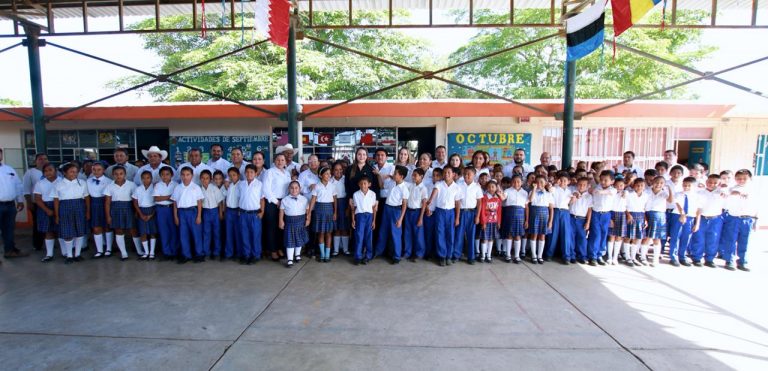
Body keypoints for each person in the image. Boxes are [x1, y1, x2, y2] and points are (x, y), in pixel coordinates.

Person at [720, 169, 757, 271]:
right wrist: (731, 193)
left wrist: (756, 220)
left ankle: (742, 262)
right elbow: (724, 200)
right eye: (739, 178)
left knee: (745, 241)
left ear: (750, 179)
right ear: (735, 179)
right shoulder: (731, 189)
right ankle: (729, 260)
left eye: (744, 178)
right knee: (731, 240)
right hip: (734, 218)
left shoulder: (753, 190)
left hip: (747, 219)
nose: (741, 180)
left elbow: (757, 206)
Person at [53, 163, 90, 264]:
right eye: (71, 172)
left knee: (80, 231)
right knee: (67, 232)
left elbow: (86, 198)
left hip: (79, 207)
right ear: (64, 173)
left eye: (76, 172)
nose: (74, 174)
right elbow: (56, 201)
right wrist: (57, 215)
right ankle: (69, 255)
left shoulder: (82, 183)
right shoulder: (59, 184)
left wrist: (87, 211)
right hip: (65, 208)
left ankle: (77, 254)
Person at [427, 166, 462, 267]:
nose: (446, 174)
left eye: (449, 172)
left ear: (453, 175)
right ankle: (442, 256)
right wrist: (430, 200)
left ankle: (449, 256)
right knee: (440, 234)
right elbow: (434, 192)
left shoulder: (456, 187)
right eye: (445, 173)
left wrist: (457, 218)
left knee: (450, 234)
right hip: (440, 212)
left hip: (451, 212)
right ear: (442, 175)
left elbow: (458, 203)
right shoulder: (439, 184)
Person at [374, 165, 409, 264]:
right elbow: (381, 186)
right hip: (387, 208)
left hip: (396, 211)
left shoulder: (404, 189)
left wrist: (401, 219)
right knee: (383, 231)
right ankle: (378, 251)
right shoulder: (391, 183)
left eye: (395, 173)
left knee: (395, 234)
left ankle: (396, 256)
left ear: (401, 176)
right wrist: (379, 175)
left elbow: (404, 205)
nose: (393, 175)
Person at [691, 175, 726, 267]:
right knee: (699, 238)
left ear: (719, 184)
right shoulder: (700, 193)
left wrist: (724, 191)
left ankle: (709, 259)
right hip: (702, 218)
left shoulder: (722, 193)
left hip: (715, 219)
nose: (712, 184)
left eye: (715, 183)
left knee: (713, 239)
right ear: (706, 182)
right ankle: (696, 258)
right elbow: (698, 207)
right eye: (710, 182)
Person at [262, 153, 292, 261]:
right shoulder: (269, 172)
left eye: (282, 160)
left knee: (282, 227)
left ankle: (280, 248)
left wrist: (284, 202)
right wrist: (276, 202)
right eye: (278, 160)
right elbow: (266, 190)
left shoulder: (287, 173)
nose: (280, 162)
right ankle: (273, 250)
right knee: (272, 227)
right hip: (272, 203)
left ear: (285, 162)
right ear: (274, 161)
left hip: (284, 203)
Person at [172, 167, 204, 264]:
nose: (185, 177)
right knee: (183, 235)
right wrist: (176, 216)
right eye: (183, 175)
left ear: (192, 176)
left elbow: (199, 203)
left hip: (193, 212)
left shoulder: (196, 187)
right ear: (181, 176)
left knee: (196, 234)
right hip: (181, 212)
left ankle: (199, 254)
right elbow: (175, 204)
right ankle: (186, 255)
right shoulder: (178, 187)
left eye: (188, 175)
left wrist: (199, 216)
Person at [104, 166, 136, 261]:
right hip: (116, 209)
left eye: (121, 174)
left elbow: (135, 200)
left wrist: (136, 212)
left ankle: (140, 250)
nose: (119, 176)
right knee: (119, 230)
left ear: (125, 174)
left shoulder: (132, 185)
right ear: (113, 175)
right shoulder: (110, 186)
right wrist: (108, 216)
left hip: (129, 208)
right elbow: (107, 202)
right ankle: (124, 253)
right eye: (116, 174)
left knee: (133, 230)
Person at [668, 177, 701, 267]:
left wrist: (697, 223)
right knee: (675, 237)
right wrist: (682, 214)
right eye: (684, 185)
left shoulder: (697, 196)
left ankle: (682, 256)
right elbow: (678, 205)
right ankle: (673, 257)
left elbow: (698, 210)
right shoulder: (679, 194)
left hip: (690, 218)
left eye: (689, 185)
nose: (686, 187)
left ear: (694, 186)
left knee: (686, 238)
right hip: (678, 216)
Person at [238, 164, 265, 265]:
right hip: (243, 213)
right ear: (245, 173)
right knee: (245, 235)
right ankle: (246, 254)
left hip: (255, 214)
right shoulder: (241, 184)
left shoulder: (259, 184)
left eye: (252, 172)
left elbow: (262, 199)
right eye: (247, 172)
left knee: (255, 235)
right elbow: (239, 198)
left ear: (256, 173)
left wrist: (262, 212)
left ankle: (256, 255)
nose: (249, 174)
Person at [587, 170, 616, 266]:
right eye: (601, 179)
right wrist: (594, 190)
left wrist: (599, 191)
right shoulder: (596, 188)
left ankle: (600, 255)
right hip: (596, 214)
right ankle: (593, 256)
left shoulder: (613, 190)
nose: (603, 182)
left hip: (606, 215)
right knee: (596, 235)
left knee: (604, 235)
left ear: (612, 181)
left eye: (606, 180)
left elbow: (607, 192)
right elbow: (591, 191)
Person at [454, 167, 482, 264]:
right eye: (465, 173)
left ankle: (471, 256)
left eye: (469, 174)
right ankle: (456, 255)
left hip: (471, 213)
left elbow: (479, 203)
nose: (466, 175)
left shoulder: (477, 187)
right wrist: (457, 217)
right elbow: (456, 201)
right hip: (461, 212)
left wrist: (477, 216)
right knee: (459, 235)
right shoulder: (458, 185)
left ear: (474, 175)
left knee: (471, 235)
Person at [643, 176, 673, 266]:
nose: (658, 185)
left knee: (657, 239)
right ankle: (643, 257)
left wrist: (669, 189)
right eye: (657, 182)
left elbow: (670, 200)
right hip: (648, 214)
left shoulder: (664, 193)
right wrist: (645, 218)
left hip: (659, 215)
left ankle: (655, 259)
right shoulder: (647, 192)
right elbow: (643, 205)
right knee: (646, 237)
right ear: (652, 182)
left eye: (661, 183)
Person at [309, 166, 337, 262]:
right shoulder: (317, 186)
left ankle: (327, 255)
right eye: (326, 174)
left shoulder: (332, 186)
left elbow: (335, 200)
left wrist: (335, 212)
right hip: (319, 210)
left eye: (330, 173)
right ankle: (322, 254)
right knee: (321, 233)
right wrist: (309, 213)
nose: (329, 175)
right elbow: (313, 200)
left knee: (328, 233)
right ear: (320, 175)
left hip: (329, 210)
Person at [280, 181, 311, 267]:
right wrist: (280, 221)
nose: (294, 190)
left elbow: (307, 211)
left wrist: (308, 219)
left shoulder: (304, 199)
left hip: (301, 221)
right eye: (292, 188)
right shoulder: (285, 200)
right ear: (289, 189)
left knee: (299, 239)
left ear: (299, 189)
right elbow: (281, 211)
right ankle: (290, 259)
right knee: (290, 240)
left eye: (296, 188)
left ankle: (297, 255)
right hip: (289, 222)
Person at [545, 172, 573, 263]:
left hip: (565, 212)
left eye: (565, 180)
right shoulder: (554, 188)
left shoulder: (570, 191)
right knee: (553, 233)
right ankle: (549, 254)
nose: (562, 182)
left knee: (566, 234)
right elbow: (550, 189)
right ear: (558, 180)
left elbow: (573, 198)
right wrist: (551, 185)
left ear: (569, 181)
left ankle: (566, 256)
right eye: (561, 180)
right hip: (555, 211)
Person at [34, 163, 59, 262]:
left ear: (55, 170)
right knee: (48, 231)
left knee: (61, 230)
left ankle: (66, 253)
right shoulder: (40, 183)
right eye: (45, 171)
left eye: (50, 170)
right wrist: (47, 210)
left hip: (59, 206)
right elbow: (37, 198)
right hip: (45, 207)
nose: (48, 172)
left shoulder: (61, 181)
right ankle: (49, 254)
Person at [23, 152, 48, 251]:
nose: (43, 161)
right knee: (38, 224)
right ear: (36, 161)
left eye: (45, 159)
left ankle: (49, 243)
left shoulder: (51, 171)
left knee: (49, 224)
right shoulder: (30, 172)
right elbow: (26, 189)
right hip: (36, 203)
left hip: (49, 202)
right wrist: (29, 202)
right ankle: (37, 244)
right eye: (40, 159)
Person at [350, 176, 378, 265]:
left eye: (365, 183)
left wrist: (374, 221)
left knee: (368, 237)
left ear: (369, 184)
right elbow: (353, 208)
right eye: (361, 183)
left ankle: (368, 256)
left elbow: (374, 209)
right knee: (359, 236)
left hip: (369, 216)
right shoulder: (355, 194)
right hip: (359, 216)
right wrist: (353, 220)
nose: (363, 185)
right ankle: (358, 256)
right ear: (358, 184)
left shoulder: (373, 194)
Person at [526, 175, 554, 264]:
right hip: (534, 214)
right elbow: (530, 200)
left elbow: (551, 209)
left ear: (545, 183)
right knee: (534, 235)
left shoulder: (549, 194)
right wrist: (534, 189)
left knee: (542, 236)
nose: (539, 184)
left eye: (541, 182)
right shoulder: (532, 192)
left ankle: (540, 255)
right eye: (537, 182)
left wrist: (550, 221)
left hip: (545, 215)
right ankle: (534, 255)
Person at [87, 161, 112, 259]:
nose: (96, 172)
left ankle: (108, 249)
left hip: (105, 203)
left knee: (107, 227)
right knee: (96, 227)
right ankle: (99, 250)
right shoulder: (88, 181)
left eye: (99, 170)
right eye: (94, 169)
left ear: (104, 170)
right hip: (93, 204)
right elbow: (87, 196)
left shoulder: (109, 181)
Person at [404, 168, 428, 262]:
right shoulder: (411, 186)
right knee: (408, 233)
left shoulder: (423, 188)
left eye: (415, 175)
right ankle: (408, 252)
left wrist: (421, 218)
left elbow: (424, 204)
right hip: (409, 212)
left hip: (417, 212)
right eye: (412, 175)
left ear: (421, 177)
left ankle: (419, 253)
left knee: (418, 234)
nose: (413, 177)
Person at [153, 167, 177, 260]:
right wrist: (169, 197)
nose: (165, 176)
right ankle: (166, 252)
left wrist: (163, 197)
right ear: (160, 176)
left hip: (172, 208)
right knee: (164, 231)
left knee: (173, 230)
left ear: (171, 175)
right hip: (161, 210)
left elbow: (175, 198)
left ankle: (174, 251)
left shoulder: (175, 184)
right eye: (162, 174)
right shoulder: (158, 185)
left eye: (167, 174)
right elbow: (156, 198)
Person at [502, 175, 528, 263]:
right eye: (514, 181)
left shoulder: (524, 193)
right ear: (511, 182)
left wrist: (526, 220)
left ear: (522, 182)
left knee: (518, 235)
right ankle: (508, 255)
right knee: (509, 234)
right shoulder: (507, 191)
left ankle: (517, 256)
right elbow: (503, 198)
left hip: (520, 214)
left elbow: (526, 207)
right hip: (509, 213)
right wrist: (499, 192)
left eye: (518, 182)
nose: (516, 183)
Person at [199, 170, 224, 260]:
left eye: (207, 178)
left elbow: (220, 202)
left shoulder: (214, 188)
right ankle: (206, 251)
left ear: (210, 179)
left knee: (217, 233)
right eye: (203, 178)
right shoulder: (199, 189)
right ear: (200, 179)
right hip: (205, 212)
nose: (205, 180)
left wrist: (220, 213)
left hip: (215, 212)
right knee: (206, 233)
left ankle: (217, 251)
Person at [133, 170, 157, 260]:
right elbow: (135, 202)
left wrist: (152, 214)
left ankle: (152, 252)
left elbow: (156, 202)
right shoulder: (138, 189)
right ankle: (146, 252)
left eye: (148, 178)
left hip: (152, 210)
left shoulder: (154, 188)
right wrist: (140, 214)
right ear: (141, 179)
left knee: (152, 232)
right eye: (144, 178)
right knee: (143, 232)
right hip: (141, 211)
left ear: (151, 178)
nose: (146, 180)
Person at [624, 179, 648, 266]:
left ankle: (633, 257)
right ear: (634, 186)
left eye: (642, 185)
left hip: (641, 216)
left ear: (644, 187)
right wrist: (628, 214)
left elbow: (645, 209)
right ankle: (627, 257)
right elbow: (624, 206)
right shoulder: (629, 195)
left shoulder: (645, 196)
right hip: (631, 215)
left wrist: (645, 219)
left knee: (637, 238)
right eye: (638, 185)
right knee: (628, 237)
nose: (639, 187)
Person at [478, 180, 503, 264]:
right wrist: (483, 222)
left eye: (493, 187)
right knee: (485, 239)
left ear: (496, 188)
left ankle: (488, 255)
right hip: (486, 222)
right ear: (486, 188)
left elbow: (499, 211)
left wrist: (499, 222)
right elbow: (482, 211)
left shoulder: (497, 198)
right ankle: (483, 255)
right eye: (489, 187)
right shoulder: (484, 198)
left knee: (491, 239)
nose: (491, 188)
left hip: (494, 222)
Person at [569, 177, 593, 264]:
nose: (581, 186)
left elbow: (589, 210)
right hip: (571, 218)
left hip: (582, 220)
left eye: (584, 185)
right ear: (576, 185)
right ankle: (572, 255)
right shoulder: (572, 193)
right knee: (571, 237)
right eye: (579, 184)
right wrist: (574, 196)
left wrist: (588, 222)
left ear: (587, 186)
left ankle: (582, 256)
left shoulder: (589, 196)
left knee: (582, 238)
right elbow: (568, 203)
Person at [607, 176, 628, 265]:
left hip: (621, 214)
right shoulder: (612, 192)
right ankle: (609, 257)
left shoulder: (626, 192)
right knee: (611, 236)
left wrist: (624, 191)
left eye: (621, 185)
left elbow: (625, 195)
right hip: (612, 213)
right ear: (613, 185)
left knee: (619, 237)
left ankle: (615, 257)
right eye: (617, 186)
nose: (619, 187)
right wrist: (610, 218)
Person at [331, 162, 350, 256]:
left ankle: (345, 249)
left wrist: (347, 208)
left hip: (344, 203)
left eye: (340, 169)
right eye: (336, 169)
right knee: (336, 228)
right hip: (334, 204)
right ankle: (336, 250)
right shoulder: (330, 181)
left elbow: (348, 194)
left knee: (344, 228)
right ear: (332, 171)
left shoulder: (345, 179)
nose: (338, 171)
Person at [223, 167, 242, 260]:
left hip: (237, 211)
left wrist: (239, 210)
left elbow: (241, 199)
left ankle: (238, 253)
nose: (232, 177)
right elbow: (225, 198)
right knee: (228, 232)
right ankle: (229, 253)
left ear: (238, 175)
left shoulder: (241, 185)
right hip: (229, 211)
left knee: (237, 233)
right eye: (230, 176)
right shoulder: (228, 185)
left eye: (234, 175)